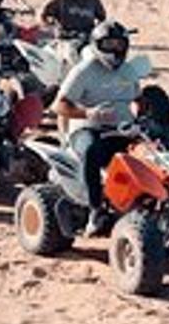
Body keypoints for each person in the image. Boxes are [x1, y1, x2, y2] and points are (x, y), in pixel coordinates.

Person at [54, 19, 149, 235]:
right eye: (109, 45)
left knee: (152, 153)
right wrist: (88, 113)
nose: (115, 50)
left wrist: (141, 116)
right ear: (97, 45)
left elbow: (139, 98)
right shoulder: (85, 70)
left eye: (119, 45)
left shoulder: (128, 70)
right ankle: (95, 210)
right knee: (91, 152)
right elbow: (59, 105)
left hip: (122, 128)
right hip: (88, 128)